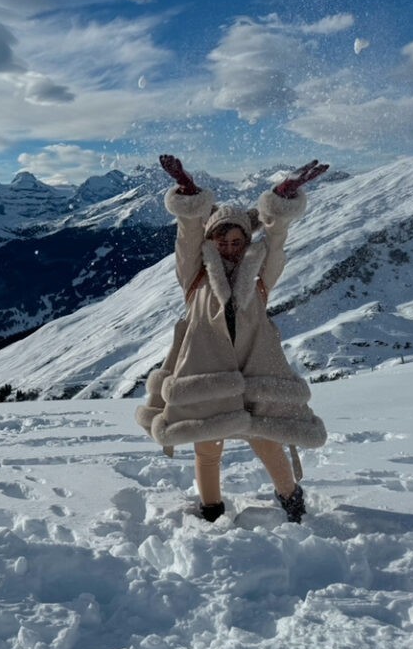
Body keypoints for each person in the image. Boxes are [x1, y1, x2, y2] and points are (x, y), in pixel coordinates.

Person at [136, 156, 329, 523]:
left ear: (246, 242)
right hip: (208, 373)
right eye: (221, 241)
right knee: (207, 445)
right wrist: (188, 196)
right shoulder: (195, 276)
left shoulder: (259, 280)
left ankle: (291, 498)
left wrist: (282, 202)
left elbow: (276, 244)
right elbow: (187, 239)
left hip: (255, 372)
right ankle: (211, 509)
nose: (229, 248)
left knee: (265, 439)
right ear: (211, 240)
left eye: (237, 241)